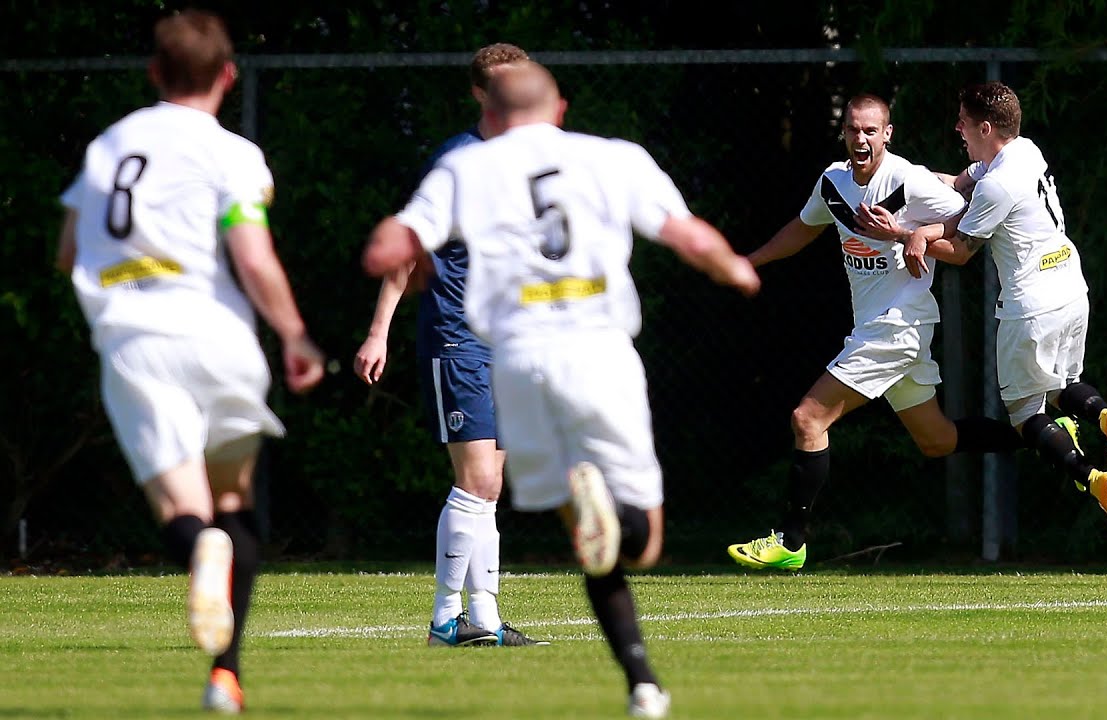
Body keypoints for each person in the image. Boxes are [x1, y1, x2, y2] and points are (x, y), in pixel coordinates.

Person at [362, 60, 759, 719]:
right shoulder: (612, 158)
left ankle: (641, 685)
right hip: (599, 350)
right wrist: (734, 269)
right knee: (643, 543)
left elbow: (396, 242)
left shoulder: (465, 166)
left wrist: (386, 252)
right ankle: (605, 521)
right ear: (561, 108)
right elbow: (686, 233)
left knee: (587, 542)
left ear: (488, 117)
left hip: (516, 359)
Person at [54, 10, 325, 714]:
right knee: (234, 501)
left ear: (152, 73)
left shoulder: (110, 146)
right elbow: (253, 255)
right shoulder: (231, 152)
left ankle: (198, 547)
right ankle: (225, 677)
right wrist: (294, 334)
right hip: (221, 339)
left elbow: (67, 251)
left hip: (136, 340)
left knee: (186, 514)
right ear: (229, 76)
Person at [727, 94, 1024, 571]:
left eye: (871, 131)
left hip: (898, 325)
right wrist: (748, 261)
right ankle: (1038, 434)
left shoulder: (907, 179)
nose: (861, 139)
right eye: (853, 131)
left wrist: (916, 234)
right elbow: (803, 228)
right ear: (844, 133)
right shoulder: (834, 182)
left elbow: (967, 216)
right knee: (938, 440)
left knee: (808, 419)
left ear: (888, 134)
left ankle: (790, 542)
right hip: (879, 326)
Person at [870, 81, 1107, 542]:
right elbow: (961, 186)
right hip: (1070, 286)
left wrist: (901, 234)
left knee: (1025, 415)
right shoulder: (1024, 153)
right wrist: (907, 178)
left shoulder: (997, 184)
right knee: (1064, 386)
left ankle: (1096, 479)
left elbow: (960, 250)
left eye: (963, 121)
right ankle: (1104, 416)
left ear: (984, 126)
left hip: (1031, 304)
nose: (956, 127)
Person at [352, 43, 545, 648]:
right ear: (480, 95)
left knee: (491, 482)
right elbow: (408, 248)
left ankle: (483, 618)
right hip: (457, 339)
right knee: (476, 477)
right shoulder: (458, 164)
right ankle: (443, 621)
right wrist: (379, 330)